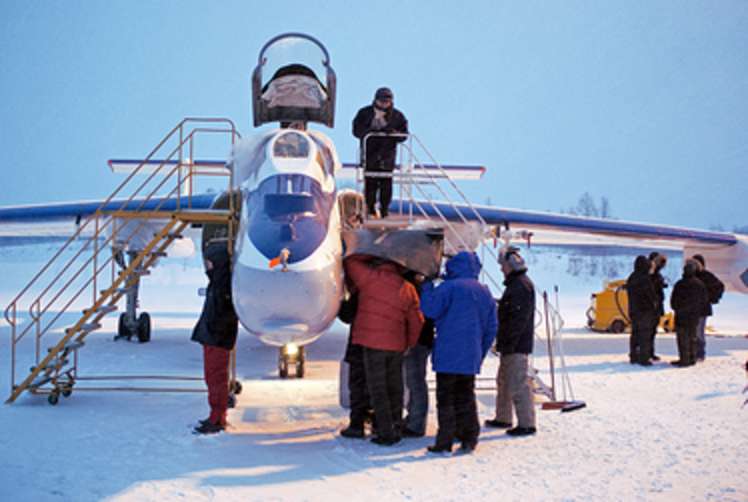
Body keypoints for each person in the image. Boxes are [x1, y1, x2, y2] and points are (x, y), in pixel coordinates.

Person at [421, 251, 497, 453]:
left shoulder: (449, 288)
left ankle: (445, 440)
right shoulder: (484, 292)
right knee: (466, 397)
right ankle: (469, 437)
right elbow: (491, 327)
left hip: (447, 355)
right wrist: (479, 352)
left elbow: (430, 309)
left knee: (445, 399)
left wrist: (426, 285)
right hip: (470, 355)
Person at [343, 254, 424, 446]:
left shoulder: (369, 278)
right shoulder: (407, 288)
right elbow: (417, 321)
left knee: (377, 388)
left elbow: (350, 261)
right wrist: (409, 343)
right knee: (394, 387)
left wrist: (372, 251)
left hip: (371, 344)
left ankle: (385, 432)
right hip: (396, 345)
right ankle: (395, 425)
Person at [485, 248, 537, 437]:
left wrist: (508, 341)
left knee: (518, 383)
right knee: (505, 381)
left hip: (515, 345)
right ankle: (504, 417)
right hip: (512, 343)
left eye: (503, 266)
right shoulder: (518, 285)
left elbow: (517, 319)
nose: (501, 269)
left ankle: (527, 423)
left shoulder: (519, 286)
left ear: (511, 265)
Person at [191, 240, 239, 434]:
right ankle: (215, 415)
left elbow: (223, 315)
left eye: (210, 261)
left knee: (216, 379)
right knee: (212, 379)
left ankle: (217, 418)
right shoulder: (217, 283)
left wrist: (213, 333)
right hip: (213, 338)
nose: (207, 265)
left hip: (217, 339)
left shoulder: (223, 287)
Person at [352, 87, 408, 219]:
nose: (384, 104)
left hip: (387, 156)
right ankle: (370, 209)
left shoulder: (397, 116)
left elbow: (404, 135)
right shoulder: (364, 113)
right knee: (370, 183)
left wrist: (392, 133)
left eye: (387, 101)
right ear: (375, 100)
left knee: (386, 184)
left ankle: (384, 210)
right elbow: (356, 130)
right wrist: (369, 131)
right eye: (381, 101)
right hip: (370, 154)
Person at [402, 272, 436, 438]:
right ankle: (414, 418)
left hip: (418, 340)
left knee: (415, 382)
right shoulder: (425, 287)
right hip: (423, 339)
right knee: (414, 381)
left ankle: (416, 423)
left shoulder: (414, 289)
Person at [338, 284, 372, 439]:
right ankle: (380, 422)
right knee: (380, 385)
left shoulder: (362, 287)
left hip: (358, 344)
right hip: (384, 344)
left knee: (358, 386)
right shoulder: (396, 284)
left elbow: (347, 315)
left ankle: (357, 424)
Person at [670, 259, 709, 367]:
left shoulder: (679, 284)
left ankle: (684, 359)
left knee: (683, 339)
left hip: (681, 316)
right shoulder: (700, 284)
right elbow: (704, 300)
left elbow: (673, 301)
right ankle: (692, 358)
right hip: (694, 316)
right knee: (693, 337)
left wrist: (678, 308)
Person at [692, 254, 725, 362]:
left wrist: (712, 298)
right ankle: (694, 352)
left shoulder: (707, 276)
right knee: (694, 331)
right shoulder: (691, 275)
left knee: (699, 332)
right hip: (692, 308)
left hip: (702, 309)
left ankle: (700, 354)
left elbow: (720, 287)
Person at [626, 255, 657, 366]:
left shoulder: (632, 277)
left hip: (634, 310)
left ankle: (633, 356)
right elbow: (650, 296)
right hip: (645, 311)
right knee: (645, 335)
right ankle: (644, 358)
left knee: (635, 334)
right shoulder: (645, 279)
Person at [648, 252, 668, 361]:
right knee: (649, 331)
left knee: (651, 331)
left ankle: (650, 352)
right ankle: (648, 353)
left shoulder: (654, 274)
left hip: (655, 306)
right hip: (653, 307)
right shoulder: (651, 275)